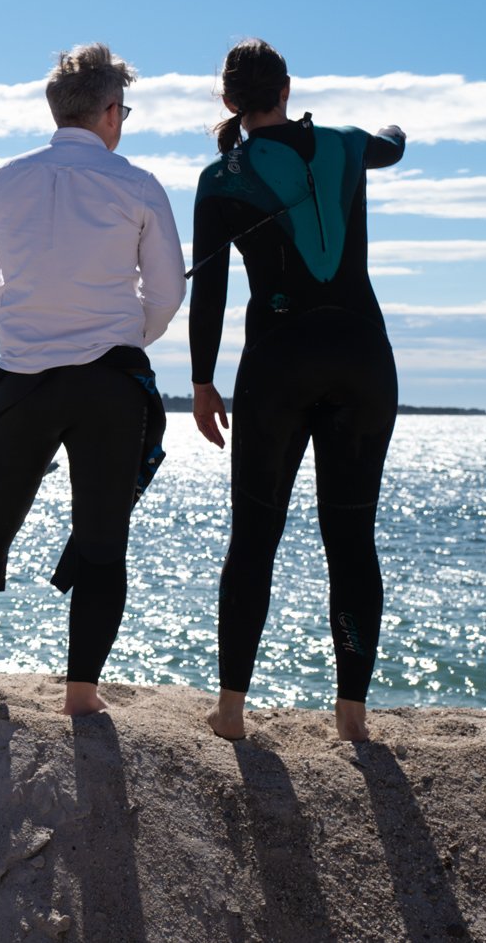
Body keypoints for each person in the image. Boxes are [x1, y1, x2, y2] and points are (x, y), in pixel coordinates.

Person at [0, 44, 185, 715]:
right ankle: (80, 694)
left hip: (24, 380)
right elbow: (166, 291)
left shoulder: (3, 181)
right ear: (109, 111)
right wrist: (122, 336)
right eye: (122, 109)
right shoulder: (137, 184)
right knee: (102, 541)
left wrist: (23, 323)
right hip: (110, 386)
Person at [188, 39, 406, 743]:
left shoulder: (222, 177)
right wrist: (394, 125)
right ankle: (352, 718)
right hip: (364, 361)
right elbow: (392, 146)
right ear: (289, 86)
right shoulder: (345, 145)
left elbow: (211, 292)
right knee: (351, 539)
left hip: (276, 368)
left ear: (228, 103)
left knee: (255, 537)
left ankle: (229, 709)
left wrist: (201, 380)